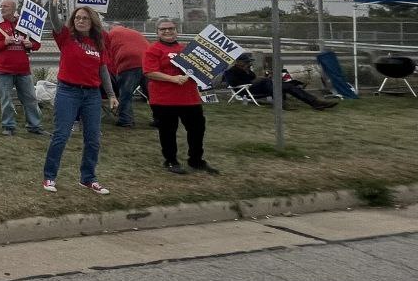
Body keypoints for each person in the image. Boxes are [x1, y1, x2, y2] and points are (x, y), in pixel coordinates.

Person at [42, 0, 118, 195]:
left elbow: (103, 70)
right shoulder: (66, 37)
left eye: (85, 18)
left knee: (93, 138)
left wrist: (111, 95)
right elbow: (55, 19)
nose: (81, 20)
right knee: (61, 135)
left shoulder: (98, 42)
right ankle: (49, 176)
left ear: (92, 21)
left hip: (92, 95)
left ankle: (88, 178)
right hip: (68, 91)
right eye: (77, 18)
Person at [143, 19, 219, 175]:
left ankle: (196, 160)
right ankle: (170, 160)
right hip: (164, 99)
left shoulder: (186, 49)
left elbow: (201, 71)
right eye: (163, 29)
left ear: (176, 30)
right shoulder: (152, 50)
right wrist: (172, 78)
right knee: (168, 131)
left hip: (189, 98)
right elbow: (149, 72)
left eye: (171, 28)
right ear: (157, 32)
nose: (167, 31)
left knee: (197, 129)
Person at [0, 0, 44, 136]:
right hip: (4, 69)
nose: (2, 8)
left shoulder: (24, 24)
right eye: (1, 6)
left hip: (23, 69)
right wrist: (3, 43)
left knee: (30, 98)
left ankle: (34, 126)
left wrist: (31, 45)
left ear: (14, 9)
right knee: (6, 99)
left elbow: (37, 44)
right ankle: (8, 126)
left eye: (6, 6)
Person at [223, 54, 339, 109]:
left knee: (288, 86)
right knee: (270, 83)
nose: (249, 64)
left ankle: (315, 103)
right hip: (246, 90)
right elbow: (234, 84)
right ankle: (281, 104)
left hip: (260, 87)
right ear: (239, 62)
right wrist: (257, 80)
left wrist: (258, 77)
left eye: (249, 62)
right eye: (247, 62)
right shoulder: (230, 71)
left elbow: (254, 78)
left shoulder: (248, 70)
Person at [105, 24, 151, 128]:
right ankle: (160, 119)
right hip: (148, 61)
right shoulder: (135, 32)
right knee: (152, 94)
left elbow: (108, 59)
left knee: (125, 93)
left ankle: (126, 120)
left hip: (128, 62)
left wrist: (115, 74)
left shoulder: (110, 35)